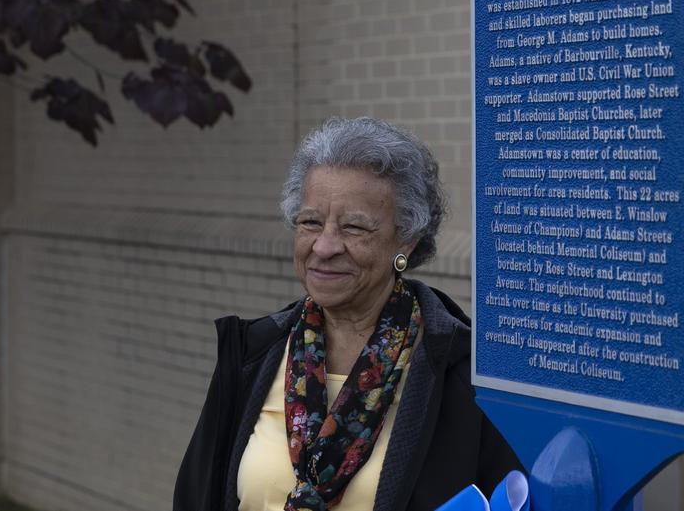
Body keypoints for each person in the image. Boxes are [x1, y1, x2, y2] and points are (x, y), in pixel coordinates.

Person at [173, 117, 521, 511]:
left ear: (406, 238)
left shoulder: (463, 374)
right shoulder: (252, 356)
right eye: (310, 222)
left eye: (354, 227)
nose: (324, 246)